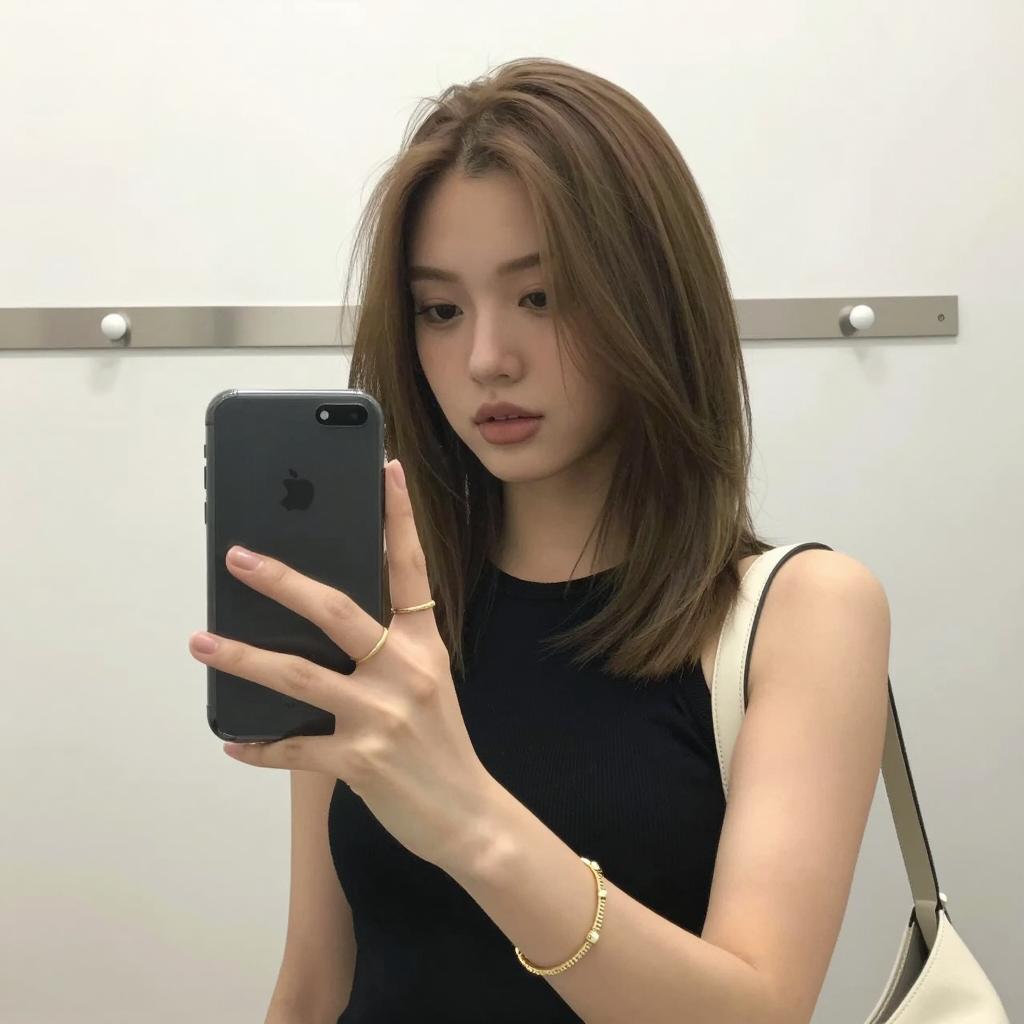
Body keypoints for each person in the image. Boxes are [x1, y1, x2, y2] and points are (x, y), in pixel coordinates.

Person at [269, 56, 891, 1024]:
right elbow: (314, 984)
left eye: (542, 296)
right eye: (441, 310)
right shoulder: (374, 611)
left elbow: (760, 1011)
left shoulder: (801, 613)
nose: (487, 358)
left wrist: (467, 816)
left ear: (651, 300)